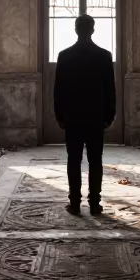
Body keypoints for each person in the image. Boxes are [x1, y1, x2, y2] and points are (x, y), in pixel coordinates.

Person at [53, 14, 116, 215]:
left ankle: (74, 203)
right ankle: (95, 203)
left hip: (73, 117)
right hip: (96, 117)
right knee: (95, 160)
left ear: (76, 30)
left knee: (74, 160)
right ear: (92, 30)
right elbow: (110, 91)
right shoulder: (104, 56)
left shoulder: (65, 56)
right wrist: (109, 116)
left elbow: (58, 90)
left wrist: (59, 116)